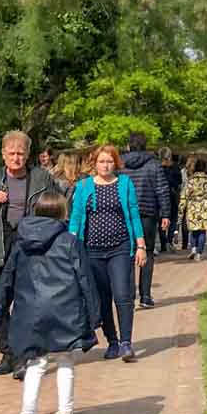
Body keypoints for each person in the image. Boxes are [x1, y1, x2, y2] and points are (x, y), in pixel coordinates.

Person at [0, 188, 99, 414]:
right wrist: (95, 315)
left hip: (29, 310)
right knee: (65, 361)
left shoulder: (21, 243)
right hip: (66, 309)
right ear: (63, 213)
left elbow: (7, 279)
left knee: (35, 364)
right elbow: (85, 279)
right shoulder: (70, 242)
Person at [0, 131, 64, 378]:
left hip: (32, 246)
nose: (16, 158)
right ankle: (8, 353)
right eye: (11, 153)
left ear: (28, 155)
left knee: (29, 303)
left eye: (20, 153)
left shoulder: (42, 178)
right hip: (1, 245)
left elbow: (59, 206)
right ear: (3, 155)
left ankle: (26, 355)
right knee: (0, 304)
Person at [69, 143, 146, 362]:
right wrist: (71, 245)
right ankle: (112, 340)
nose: (106, 165)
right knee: (102, 299)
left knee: (123, 295)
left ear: (116, 163)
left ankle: (126, 343)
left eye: (110, 161)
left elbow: (133, 214)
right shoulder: (83, 186)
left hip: (121, 248)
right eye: (102, 161)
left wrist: (141, 245)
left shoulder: (125, 183)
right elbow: (75, 218)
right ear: (94, 163)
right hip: (91, 250)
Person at [119, 133, 172, 309]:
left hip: (124, 213)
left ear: (129, 146)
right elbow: (162, 189)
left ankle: (128, 295)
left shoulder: (119, 164)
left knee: (127, 252)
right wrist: (165, 214)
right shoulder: (154, 164)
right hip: (148, 213)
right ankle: (145, 295)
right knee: (147, 253)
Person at [178, 156, 207, 261]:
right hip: (204, 206)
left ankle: (193, 248)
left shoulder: (191, 180)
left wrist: (182, 207)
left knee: (193, 230)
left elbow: (184, 195)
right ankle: (199, 253)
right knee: (202, 231)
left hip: (192, 207)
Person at [161, 150, 183, 251]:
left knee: (162, 219)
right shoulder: (175, 167)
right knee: (173, 219)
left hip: (161, 196)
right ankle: (169, 241)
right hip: (172, 195)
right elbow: (179, 181)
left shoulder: (158, 167)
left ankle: (163, 243)